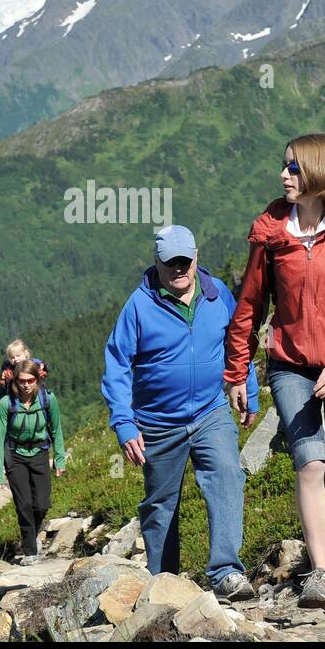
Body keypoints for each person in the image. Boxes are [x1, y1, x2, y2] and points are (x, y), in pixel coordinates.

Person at [225, 133, 325, 613]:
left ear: (319, 173)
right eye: (284, 166)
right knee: (310, 462)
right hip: (291, 367)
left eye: (293, 168)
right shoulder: (272, 236)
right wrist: (238, 371)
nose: (284, 175)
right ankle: (320, 572)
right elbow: (250, 306)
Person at [101, 224, 261, 601]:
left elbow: (238, 342)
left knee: (225, 474)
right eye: (170, 262)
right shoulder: (138, 306)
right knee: (160, 504)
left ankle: (225, 573)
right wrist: (124, 423)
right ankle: (163, 582)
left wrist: (248, 388)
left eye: (185, 260)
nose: (179, 268)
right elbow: (117, 364)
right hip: (157, 422)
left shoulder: (216, 292)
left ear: (196, 258)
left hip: (210, 410)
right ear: (156, 262)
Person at [0, 358, 66, 563]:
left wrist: (60, 459)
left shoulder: (48, 399)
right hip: (15, 456)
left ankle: (31, 535)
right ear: (15, 381)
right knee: (23, 504)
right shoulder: (6, 404)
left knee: (41, 504)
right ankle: (31, 552)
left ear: (37, 380)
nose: (26, 384)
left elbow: (57, 429)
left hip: (40, 453)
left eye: (30, 380)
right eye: (21, 380)